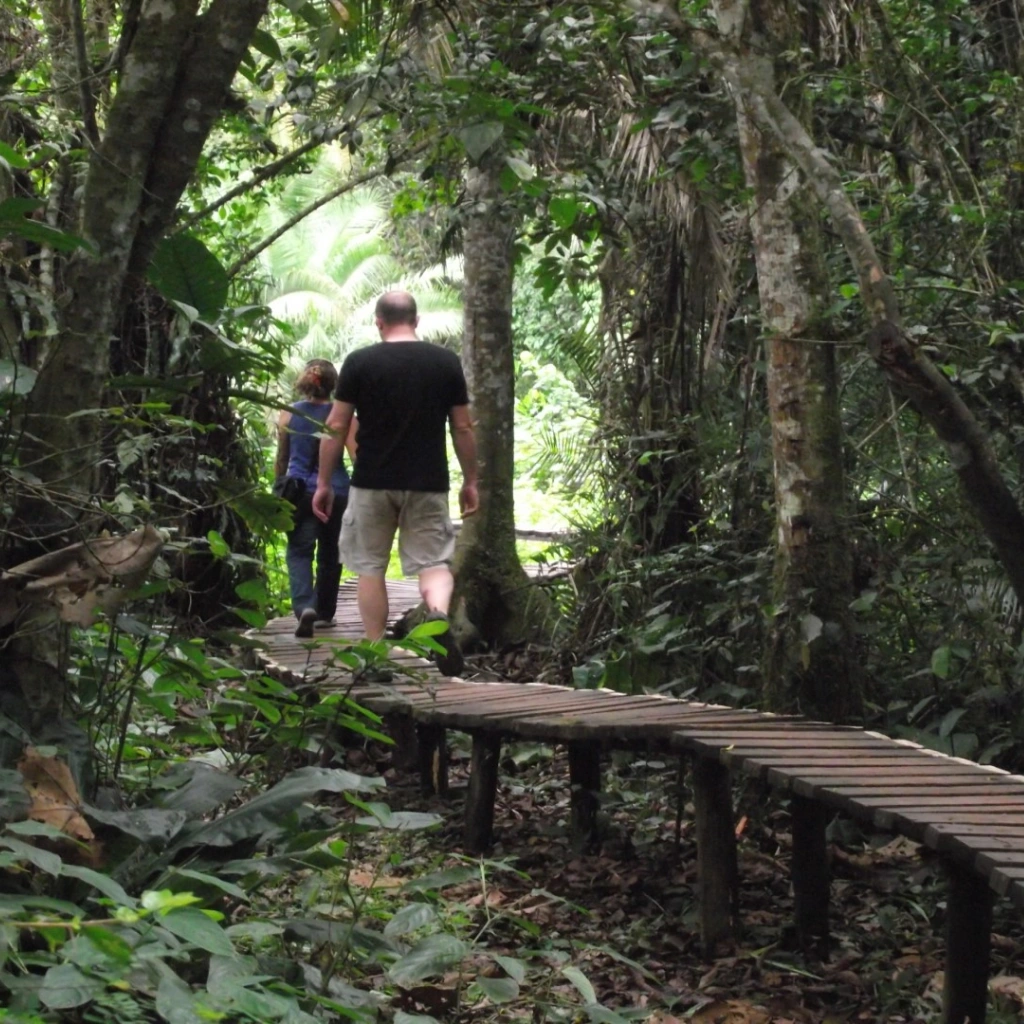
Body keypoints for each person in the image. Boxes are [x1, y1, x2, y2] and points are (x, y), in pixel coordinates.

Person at [312, 291, 478, 681]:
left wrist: (323, 482)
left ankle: (374, 655)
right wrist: (472, 480)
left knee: (370, 568)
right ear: (416, 321)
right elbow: (463, 426)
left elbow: (336, 425)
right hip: (428, 481)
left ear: (379, 323)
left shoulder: (360, 362)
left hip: (372, 481)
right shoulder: (445, 362)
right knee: (433, 563)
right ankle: (438, 615)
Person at [275, 358, 350, 639]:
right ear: (333, 384)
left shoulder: (288, 413)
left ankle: (305, 606)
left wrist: (278, 487)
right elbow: (357, 454)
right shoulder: (343, 416)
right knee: (331, 554)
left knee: (299, 551)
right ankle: (324, 613)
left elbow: (282, 457)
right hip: (337, 491)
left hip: (298, 492)